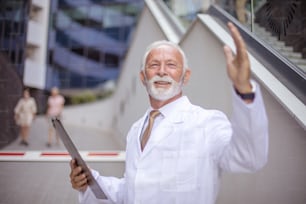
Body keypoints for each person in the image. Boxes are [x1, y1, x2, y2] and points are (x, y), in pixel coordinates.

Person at [69, 22, 269, 204]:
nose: (162, 71)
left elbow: (249, 157)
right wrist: (90, 183)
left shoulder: (207, 123)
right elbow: (132, 191)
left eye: (171, 65)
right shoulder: (136, 129)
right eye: (154, 65)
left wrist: (244, 90)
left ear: (185, 76)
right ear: (142, 77)